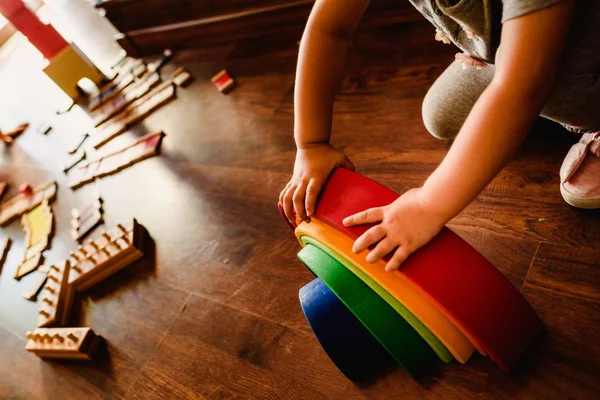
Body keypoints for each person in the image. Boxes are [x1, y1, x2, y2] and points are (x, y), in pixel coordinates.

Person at [280, 0, 600, 271]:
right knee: (439, 115)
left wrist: (427, 204)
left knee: (530, 89)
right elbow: (329, 29)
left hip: (559, 57)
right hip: (519, 53)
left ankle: (586, 123)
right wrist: (311, 144)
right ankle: (520, 75)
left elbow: (526, 84)